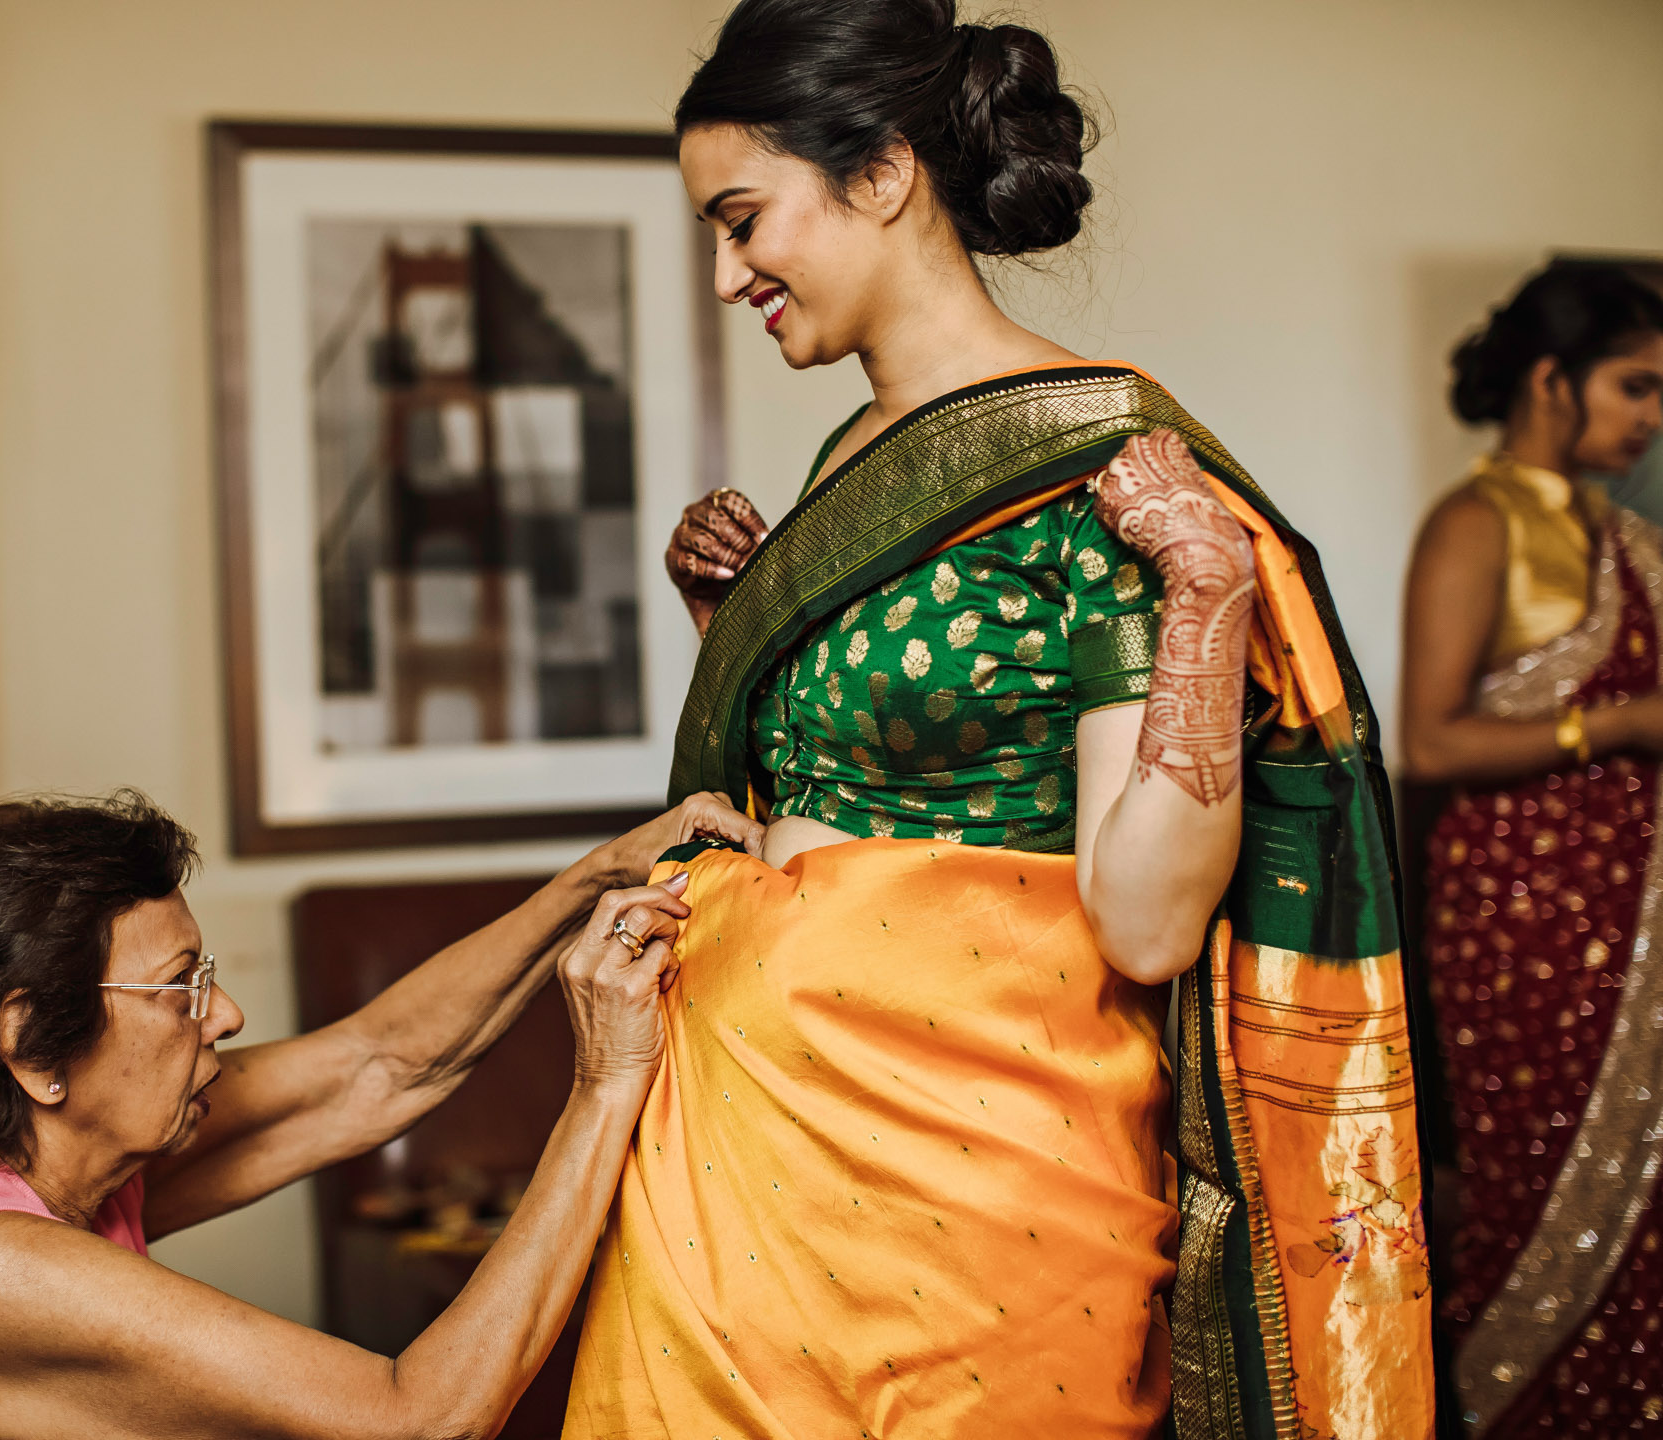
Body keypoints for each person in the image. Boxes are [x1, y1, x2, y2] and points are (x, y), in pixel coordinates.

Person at [563, 2, 1436, 1437]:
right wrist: (736, 636)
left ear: (885, 173)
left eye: (742, 219)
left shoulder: (1096, 471)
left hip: (972, 1196)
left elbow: (1147, 921)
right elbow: (836, 793)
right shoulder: (859, 456)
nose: (725, 277)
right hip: (735, 1156)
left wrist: (1207, 589)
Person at [0, 787, 761, 1440]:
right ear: (31, 1047)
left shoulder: (46, 1173)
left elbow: (381, 1068)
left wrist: (598, 878)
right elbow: (422, 1423)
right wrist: (605, 1082)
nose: (224, 1015)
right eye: (180, 987)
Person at [1402, 260, 1663, 1437]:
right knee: (1534, 1183)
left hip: (1632, 916)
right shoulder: (1474, 522)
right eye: (1636, 387)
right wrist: (1619, 726)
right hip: (1521, 921)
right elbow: (1431, 739)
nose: (1653, 416)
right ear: (1552, 382)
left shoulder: (1629, 539)